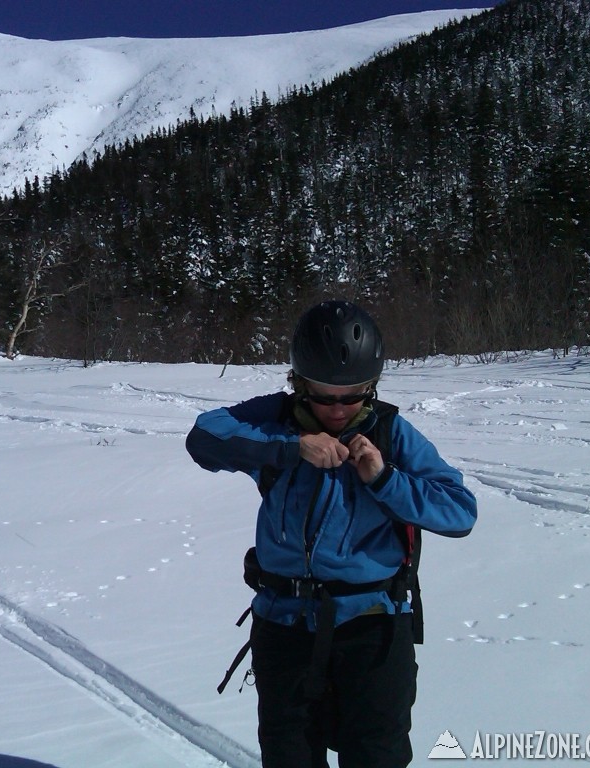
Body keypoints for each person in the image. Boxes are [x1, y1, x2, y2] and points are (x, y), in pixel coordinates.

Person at [185, 300, 477, 768]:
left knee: (377, 756)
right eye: (324, 397)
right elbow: (203, 438)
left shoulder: (391, 434)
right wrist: (289, 447)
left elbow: (460, 513)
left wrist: (385, 479)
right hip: (284, 626)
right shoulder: (277, 419)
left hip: (374, 628)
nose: (339, 410)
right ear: (298, 384)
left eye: (354, 396)